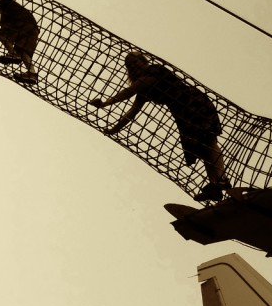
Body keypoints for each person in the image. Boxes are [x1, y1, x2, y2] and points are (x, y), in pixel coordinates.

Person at [90, 52, 229, 201]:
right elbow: (132, 112)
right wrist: (113, 130)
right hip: (182, 112)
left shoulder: (154, 70)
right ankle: (215, 186)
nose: (133, 65)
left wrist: (105, 104)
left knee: (208, 141)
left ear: (143, 61)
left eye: (135, 61)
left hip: (192, 103)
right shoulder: (143, 89)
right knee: (202, 150)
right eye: (129, 65)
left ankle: (221, 179)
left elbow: (130, 91)